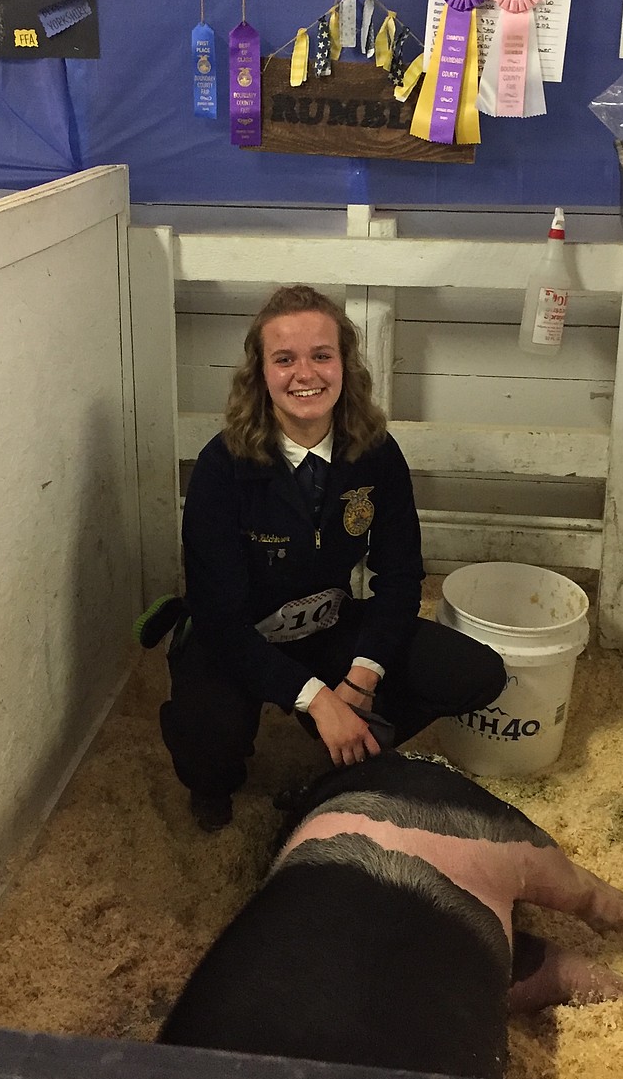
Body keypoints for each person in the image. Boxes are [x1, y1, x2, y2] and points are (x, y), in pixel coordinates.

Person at [159, 285, 508, 831]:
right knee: (208, 735)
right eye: (285, 359)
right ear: (260, 373)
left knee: (477, 673)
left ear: (345, 365)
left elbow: (399, 576)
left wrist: (359, 681)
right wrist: (319, 701)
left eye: (322, 355)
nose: (306, 373)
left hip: (326, 622)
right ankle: (217, 781)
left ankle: (337, 770)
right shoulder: (221, 467)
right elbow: (220, 617)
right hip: (236, 635)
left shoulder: (376, 453)